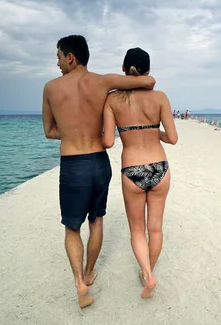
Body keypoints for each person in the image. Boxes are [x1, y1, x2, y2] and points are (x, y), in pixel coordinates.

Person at [42, 35, 156, 308]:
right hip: (98, 162)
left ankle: (80, 282)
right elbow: (149, 81)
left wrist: (72, 132)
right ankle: (90, 272)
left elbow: (49, 131)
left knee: (72, 228)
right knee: (96, 221)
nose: (57, 63)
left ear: (71, 57)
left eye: (58, 57)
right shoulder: (103, 81)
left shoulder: (51, 88)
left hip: (73, 165)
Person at [102, 47, 178, 299]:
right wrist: (151, 131)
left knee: (136, 230)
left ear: (124, 69)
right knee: (154, 229)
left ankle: (147, 274)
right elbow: (173, 138)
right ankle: (149, 272)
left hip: (131, 169)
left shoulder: (112, 100)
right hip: (160, 167)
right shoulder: (160, 98)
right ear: (148, 70)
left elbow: (109, 141)